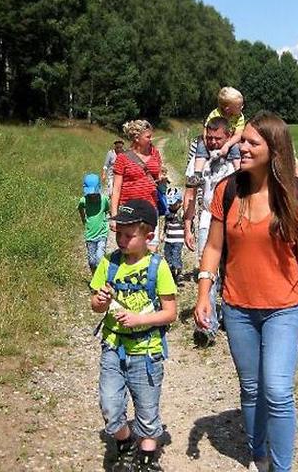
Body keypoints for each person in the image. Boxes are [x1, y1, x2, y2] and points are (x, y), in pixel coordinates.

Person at [193, 111, 298, 472]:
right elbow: (213, 247)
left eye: (252, 142)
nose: (243, 148)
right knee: (251, 389)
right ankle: (259, 454)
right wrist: (203, 293)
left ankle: (281, 468)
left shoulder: (296, 194)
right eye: (242, 141)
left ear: (274, 149)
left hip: (285, 308)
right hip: (237, 308)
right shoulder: (228, 190)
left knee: (277, 391)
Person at [90, 199, 177, 472]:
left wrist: (140, 319)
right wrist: (100, 301)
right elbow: (95, 305)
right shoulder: (109, 263)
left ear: (148, 236)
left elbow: (170, 313)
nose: (122, 240)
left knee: (147, 411)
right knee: (110, 405)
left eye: (129, 235)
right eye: (119, 234)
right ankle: (125, 442)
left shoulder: (158, 267)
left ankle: (147, 459)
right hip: (113, 348)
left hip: (147, 352)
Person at [183, 117, 235, 346]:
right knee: (207, 271)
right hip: (207, 219)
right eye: (210, 138)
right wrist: (187, 225)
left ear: (228, 136)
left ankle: (232, 316)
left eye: (218, 138)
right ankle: (207, 324)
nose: (213, 142)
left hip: (233, 220)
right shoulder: (199, 160)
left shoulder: (237, 160)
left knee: (231, 271)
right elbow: (190, 193)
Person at [111, 120, 162, 252]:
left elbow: (158, 175)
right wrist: (114, 216)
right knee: (131, 249)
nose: (151, 140)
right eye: (148, 137)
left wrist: (161, 179)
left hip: (150, 207)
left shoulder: (155, 153)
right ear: (137, 138)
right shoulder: (123, 158)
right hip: (130, 210)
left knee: (151, 247)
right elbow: (116, 189)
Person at [188, 87, 244, 186]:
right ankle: (197, 174)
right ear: (228, 109)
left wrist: (227, 145)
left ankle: (239, 172)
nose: (242, 107)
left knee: (235, 147)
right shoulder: (214, 114)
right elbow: (206, 129)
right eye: (239, 106)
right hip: (210, 143)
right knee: (201, 145)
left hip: (230, 141)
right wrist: (207, 144)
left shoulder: (239, 117)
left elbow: (239, 134)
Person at [78, 173, 110, 273]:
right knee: (92, 261)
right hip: (90, 235)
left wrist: (109, 220)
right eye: (90, 194)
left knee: (100, 257)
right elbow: (80, 208)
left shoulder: (104, 199)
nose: (92, 196)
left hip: (102, 233)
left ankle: (102, 276)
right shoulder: (83, 200)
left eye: (94, 193)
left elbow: (108, 210)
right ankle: (94, 276)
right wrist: (83, 219)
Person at [163, 187, 184, 284]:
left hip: (178, 240)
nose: (172, 206)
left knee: (176, 257)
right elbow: (165, 224)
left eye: (174, 204)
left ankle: (179, 274)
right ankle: (171, 275)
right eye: (170, 204)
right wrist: (163, 234)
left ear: (180, 202)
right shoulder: (168, 213)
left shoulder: (181, 212)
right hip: (168, 239)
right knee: (168, 258)